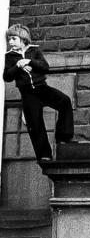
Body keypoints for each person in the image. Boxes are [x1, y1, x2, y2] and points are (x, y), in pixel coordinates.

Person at [2, 24, 74, 162]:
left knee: (64, 101)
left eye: (13, 38)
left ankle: (63, 138)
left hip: (42, 88)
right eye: (9, 39)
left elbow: (45, 67)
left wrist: (30, 61)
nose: (10, 42)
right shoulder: (10, 57)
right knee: (35, 124)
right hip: (28, 93)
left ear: (23, 39)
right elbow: (7, 76)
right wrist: (18, 66)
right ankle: (44, 155)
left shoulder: (34, 51)